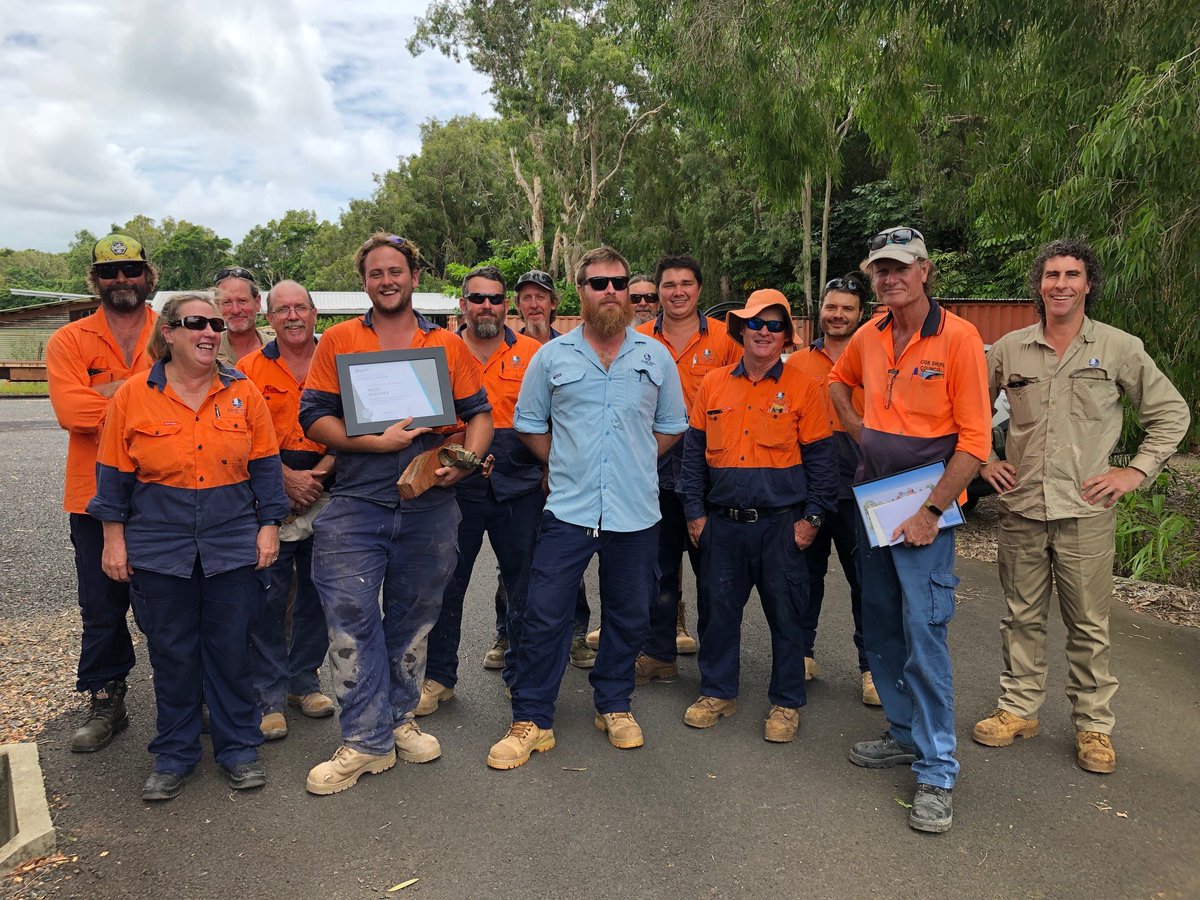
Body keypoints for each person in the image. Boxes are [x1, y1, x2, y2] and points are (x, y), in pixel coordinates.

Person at [973, 238, 1189, 774]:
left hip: (1085, 511)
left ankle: (1094, 726)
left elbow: (1171, 413)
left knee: (1089, 624)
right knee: (1020, 616)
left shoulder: (1119, 347)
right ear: (1039, 285)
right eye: (1052, 275)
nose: (1061, 284)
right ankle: (1019, 709)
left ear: (1088, 284)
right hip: (1022, 507)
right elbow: (968, 409)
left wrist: (1134, 471)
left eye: (1072, 275)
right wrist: (984, 461)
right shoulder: (1010, 350)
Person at [299, 234, 492, 795]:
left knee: (414, 619)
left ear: (414, 277)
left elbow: (480, 415)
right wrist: (374, 443)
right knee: (350, 621)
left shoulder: (446, 345)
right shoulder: (339, 340)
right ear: (365, 282)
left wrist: (466, 462)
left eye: (396, 271)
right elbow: (314, 417)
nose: (387, 281)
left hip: (430, 504)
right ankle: (364, 740)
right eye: (376, 272)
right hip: (356, 504)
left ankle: (399, 719)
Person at [486, 246, 687, 770]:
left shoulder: (655, 357)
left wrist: (631, 459)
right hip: (569, 509)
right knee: (544, 613)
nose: (611, 292)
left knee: (629, 613)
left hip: (635, 510)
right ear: (581, 292)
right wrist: (567, 460)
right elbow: (529, 424)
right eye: (599, 283)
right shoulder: (551, 357)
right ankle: (532, 719)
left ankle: (614, 704)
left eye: (619, 283)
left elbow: (671, 427)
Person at [87, 293, 290, 801]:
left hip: (232, 541)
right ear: (169, 334)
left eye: (215, 324)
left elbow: (266, 467)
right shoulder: (133, 395)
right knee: (172, 653)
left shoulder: (244, 392)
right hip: (159, 545)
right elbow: (112, 476)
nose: (209, 332)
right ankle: (174, 755)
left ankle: (238, 749)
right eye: (196, 323)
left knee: (231, 649)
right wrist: (113, 540)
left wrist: (269, 526)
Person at [829, 226, 991, 834]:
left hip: (926, 511)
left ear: (925, 271)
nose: (889, 277)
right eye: (880, 269)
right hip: (874, 503)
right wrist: (858, 429)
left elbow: (975, 443)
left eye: (900, 267)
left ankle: (937, 770)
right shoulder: (869, 335)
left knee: (924, 635)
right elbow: (836, 381)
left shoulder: (959, 338)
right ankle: (903, 732)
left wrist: (930, 511)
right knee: (881, 624)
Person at [679, 289, 836, 742]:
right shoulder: (713, 384)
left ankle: (786, 703)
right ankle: (717, 692)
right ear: (741, 330)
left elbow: (822, 463)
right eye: (756, 323)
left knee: (787, 616)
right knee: (717, 613)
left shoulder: (804, 387)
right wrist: (695, 514)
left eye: (774, 325)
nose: (764, 332)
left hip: (782, 526)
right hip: (722, 524)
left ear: (786, 336)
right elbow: (692, 457)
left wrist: (811, 522)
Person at [46, 233, 159, 753]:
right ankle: (105, 697)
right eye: (109, 272)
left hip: (164, 493)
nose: (121, 279)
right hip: (93, 495)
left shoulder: (172, 328)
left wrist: (106, 395)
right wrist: (147, 402)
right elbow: (72, 413)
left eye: (131, 269)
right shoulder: (69, 340)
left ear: (146, 275)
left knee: (174, 602)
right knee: (101, 604)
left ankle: (191, 694)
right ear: (96, 279)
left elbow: (193, 397)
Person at [419, 266, 545, 715]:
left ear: (506, 305)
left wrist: (549, 468)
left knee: (524, 584)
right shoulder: (439, 352)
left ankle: (521, 675)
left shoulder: (534, 353)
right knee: (447, 583)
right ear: (463, 305)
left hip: (521, 484)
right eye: (477, 298)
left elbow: (553, 416)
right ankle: (438, 678)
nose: (486, 306)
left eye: (495, 298)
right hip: (456, 484)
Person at [631, 255, 741, 684]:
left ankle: (716, 668)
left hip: (710, 474)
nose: (678, 292)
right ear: (658, 291)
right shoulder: (637, 339)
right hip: (651, 469)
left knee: (714, 574)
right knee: (656, 569)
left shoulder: (726, 339)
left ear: (699, 288)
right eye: (669, 284)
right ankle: (659, 653)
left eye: (686, 283)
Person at [237, 280, 336, 740]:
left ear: (315, 313)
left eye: (300, 308)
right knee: (270, 595)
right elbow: (240, 435)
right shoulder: (248, 368)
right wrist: (285, 479)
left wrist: (320, 474)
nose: (292, 316)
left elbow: (359, 421)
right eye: (282, 310)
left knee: (320, 591)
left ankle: (304, 681)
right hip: (269, 488)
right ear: (269, 318)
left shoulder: (337, 358)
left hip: (329, 483)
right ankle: (268, 694)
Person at [785, 273, 880, 705]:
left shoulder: (877, 358)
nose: (838, 315)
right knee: (803, 577)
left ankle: (872, 667)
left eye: (847, 308)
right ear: (819, 310)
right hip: (808, 487)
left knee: (868, 582)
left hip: (863, 487)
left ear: (862, 314)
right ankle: (801, 654)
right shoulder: (797, 362)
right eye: (831, 307)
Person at [512, 268, 595, 666]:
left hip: (564, 472)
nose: (534, 304)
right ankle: (506, 633)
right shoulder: (507, 348)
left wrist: (554, 466)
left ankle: (577, 633)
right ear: (518, 305)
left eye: (541, 297)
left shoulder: (572, 349)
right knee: (517, 561)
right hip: (516, 469)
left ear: (554, 303)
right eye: (526, 298)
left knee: (566, 558)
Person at [215, 266, 273, 363]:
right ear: (218, 306)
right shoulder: (208, 351)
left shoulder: (281, 349)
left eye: (242, 301)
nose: (235, 310)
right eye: (227, 302)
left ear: (257, 302)